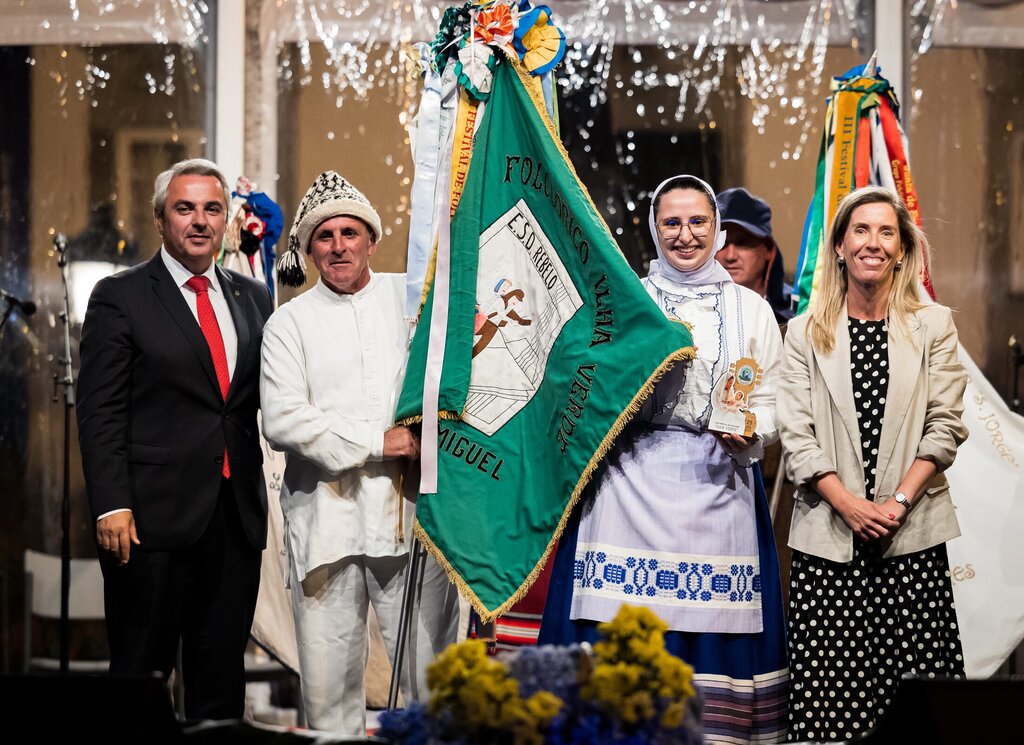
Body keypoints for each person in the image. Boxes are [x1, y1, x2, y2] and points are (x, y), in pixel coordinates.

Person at [539, 175, 789, 744]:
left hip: (718, 492)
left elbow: (773, 403)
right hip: (627, 488)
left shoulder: (751, 310)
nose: (685, 235)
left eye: (697, 222)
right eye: (671, 223)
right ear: (654, 228)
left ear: (717, 227)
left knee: (712, 643)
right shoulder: (623, 301)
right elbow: (583, 388)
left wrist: (748, 433)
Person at [259, 171, 460, 735]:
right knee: (328, 698)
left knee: (432, 685)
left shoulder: (414, 300)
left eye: (351, 232)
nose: (339, 245)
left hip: (412, 521)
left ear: (372, 239)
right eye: (325, 235)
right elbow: (283, 420)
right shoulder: (288, 323)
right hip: (326, 526)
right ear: (309, 247)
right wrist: (381, 442)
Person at [77, 158, 274, 722]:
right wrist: (112, 502)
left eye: (212, 209)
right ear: (161, 219)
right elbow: (100, 412)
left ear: (227, 220)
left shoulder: (254, 298)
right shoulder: (121, 296)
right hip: (148, 525)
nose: (200, 220)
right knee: (141, 681)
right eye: (184, 208)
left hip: (234, 522)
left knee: (220, 687)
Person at [777, 186, 968, 741]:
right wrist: (849, 505)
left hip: (910, 539)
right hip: (829, 541)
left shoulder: (934, 325)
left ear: (903, 249)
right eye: (861, 230)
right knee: (828, 714)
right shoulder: (804, 333)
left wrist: (897, 503)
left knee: (919, 713)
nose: (874, 243)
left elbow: (946, 426)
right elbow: (796, 434)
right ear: (838, 245)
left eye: (887, 232)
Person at [716, 187, 794, 325]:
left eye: (744, 243)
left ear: (769, 250)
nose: (730, 256)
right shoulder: (692, 310)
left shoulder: (798, 310)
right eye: (721, 243)